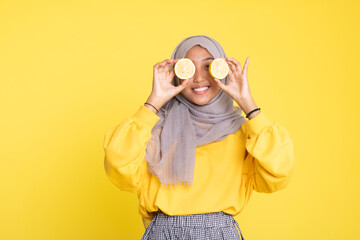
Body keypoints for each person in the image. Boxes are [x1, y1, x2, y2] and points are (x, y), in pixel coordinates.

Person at [103, 35, 295, 239]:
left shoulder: (245, 132)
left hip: (220, 233)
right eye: (189, 68)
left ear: (222, 71)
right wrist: (153, 103)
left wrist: (248, 103)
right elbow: (118, 166)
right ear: (176, 74)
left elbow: (280, 172)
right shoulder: (154, 127)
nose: (199, 78)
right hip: (164, 232)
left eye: (208, 66)